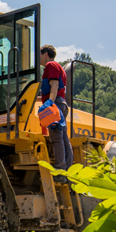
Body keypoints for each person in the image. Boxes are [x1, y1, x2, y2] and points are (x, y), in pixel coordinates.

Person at [39, 44, 74, 183]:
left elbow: (54, 85)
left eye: (40, 54)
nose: (39, 58)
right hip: (61, 103)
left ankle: (60, 171)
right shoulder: (58, 67)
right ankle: (68, 172)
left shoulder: (51, 66)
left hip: (56, 104)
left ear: (46, 54)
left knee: (56, 138)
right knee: (63, 137)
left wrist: (50, 103)